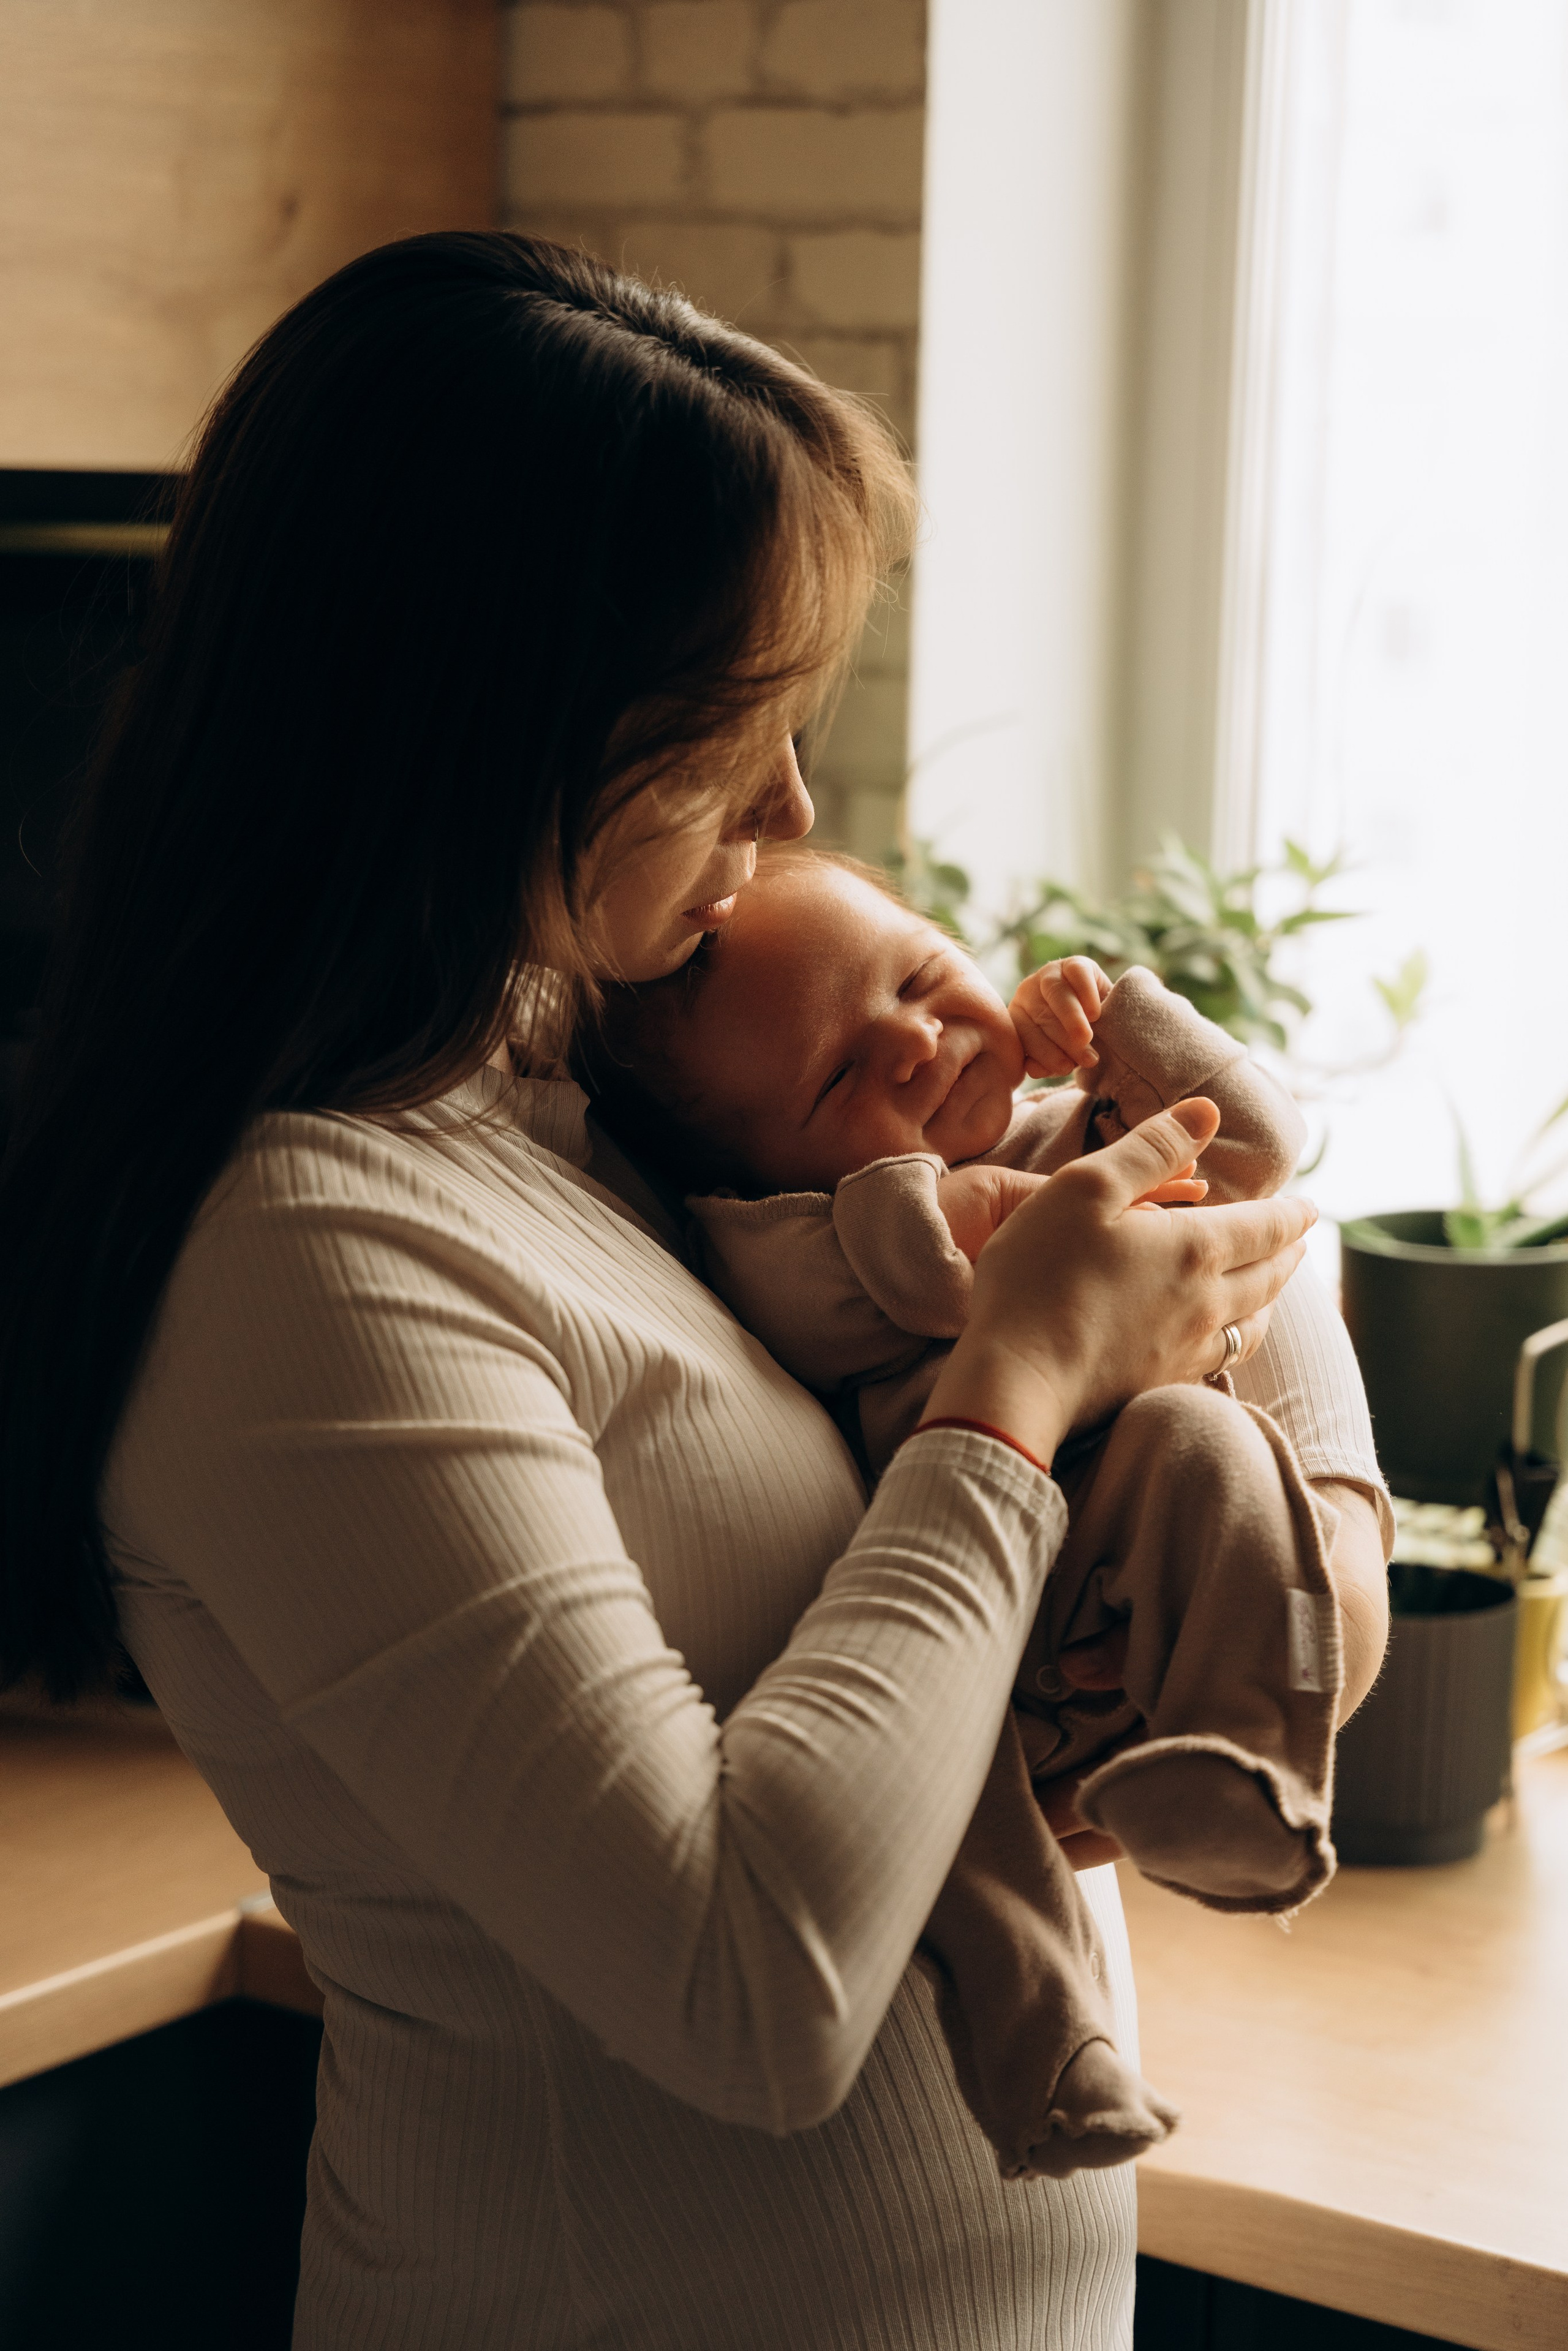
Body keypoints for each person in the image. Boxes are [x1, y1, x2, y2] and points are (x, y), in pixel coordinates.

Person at [0, 233, 1387, 2351]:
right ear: (489, 742)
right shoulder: (312, 1255)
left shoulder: (596, 1112)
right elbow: (761, 1987)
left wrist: (1249, 1453)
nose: (794, 810)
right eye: (721, 737)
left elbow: (921, 1644)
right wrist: (1015, 1385)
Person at [587, 846, 1387, 2182]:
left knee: (1206, 1447)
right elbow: (961, 1259)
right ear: (745, 1173)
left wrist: (1129, 1024)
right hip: (971, 1604)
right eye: (840, 1074)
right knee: (966, 1824)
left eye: (915, 974)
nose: (912, 1040)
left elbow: (1255, 1155)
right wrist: (1045, 1178)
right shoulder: (810, 1240)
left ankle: (1239, 1765)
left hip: (1123, 1518)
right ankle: (1044, 2047)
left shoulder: (1054, 1122)